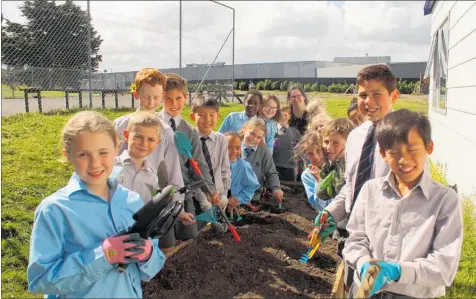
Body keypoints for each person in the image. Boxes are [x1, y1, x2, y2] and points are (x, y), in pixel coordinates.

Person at [27, 111, 165, 298]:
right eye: (83, 154)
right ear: (67, 155)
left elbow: (152, 268)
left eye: (103, 153)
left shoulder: (132, 200)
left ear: (116, 148)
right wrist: (103, 255)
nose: (95, 164)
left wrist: (147, 255)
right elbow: (40, 280)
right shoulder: (54, 210)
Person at [344, 109, 463, 298]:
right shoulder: (370, 190)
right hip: (364, 290)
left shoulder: (445, 200)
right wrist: (362, 262)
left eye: (412, 150)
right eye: (394, 152)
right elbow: (355, 239)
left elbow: (444, 266)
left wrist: (398, 271)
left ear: (429, 147)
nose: (404, 160)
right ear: (382, 153)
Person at [313, 64, 401, 293]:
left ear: (394, 96)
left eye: (376, 94)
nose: (368, 102)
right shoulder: (355, 137)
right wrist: (331, 212)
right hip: (355, 235)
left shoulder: (405, 138)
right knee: (353, 288)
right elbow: (351, 187)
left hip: (388, 239)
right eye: (363, 95)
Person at [159, 73, 222, 241]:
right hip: (161, 192)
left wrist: (210, 188)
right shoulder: (154, 124)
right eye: (168, 99)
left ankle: (203, 218)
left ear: (186, 97)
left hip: (183, 190)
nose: (174, 104)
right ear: (161, 98)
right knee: (166, 239)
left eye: (178, 98)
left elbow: (199, 163)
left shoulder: (189, 130)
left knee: (189, 235)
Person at [113, 68, 184, 204]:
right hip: (118, 194)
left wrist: (177, 205)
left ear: (162, 96)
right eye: (146, 97)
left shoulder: (166, 131)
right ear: (136, 94)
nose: (151, 103)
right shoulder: (119, 125)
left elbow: (174, 173)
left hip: (145, 197)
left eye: (156, 97)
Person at [190, 96, 230, 226]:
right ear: (192, 116)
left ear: (218, 116)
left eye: (212, 115)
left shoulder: (221, 140)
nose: (207, 120)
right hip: (198, 197)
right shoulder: (189, 141)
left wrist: (224, 193)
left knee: (217, 227)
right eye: (201, 115)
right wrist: (202, 198)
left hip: (217, 196)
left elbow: (225, 169)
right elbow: (189, 174)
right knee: (199, 229)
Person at [115, 111, 162, 204]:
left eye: (151, 139)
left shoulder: (153, 177)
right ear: (126, 135)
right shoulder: (111, 166)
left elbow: (155, 203)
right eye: (138, 137)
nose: (144, 143)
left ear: (158, 142)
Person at [240, 119, 284, 210]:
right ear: (244, 129)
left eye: (258, 137)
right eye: (252, 133)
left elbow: (271, 172)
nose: (254, 139)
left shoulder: (263, 150)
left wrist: (276, 188)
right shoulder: (233, 145)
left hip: (253, 197)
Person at [225, 133, 261, 212]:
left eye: (237, 148)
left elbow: (252, 186)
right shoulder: (216, 165)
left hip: (232, 207)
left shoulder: (244, 166)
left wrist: (237, 199)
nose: (234, 151)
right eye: (229, 147)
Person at [296, 131, 326, 210]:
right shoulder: (307, 175)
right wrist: (319, 180)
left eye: (318, 150)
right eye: (310, 153)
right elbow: (319, 206)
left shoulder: (337, 167)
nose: (315, 157)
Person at [273, 105, 302, 181]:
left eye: (285, 115)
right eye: (280, 114)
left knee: (290, 188)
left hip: (290, 166)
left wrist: (294, 145)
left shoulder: (295, 132)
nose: (283, 117)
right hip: (274, 165)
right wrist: (275, 144)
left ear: (289, 116)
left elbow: (299, 149)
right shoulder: (272, 129)